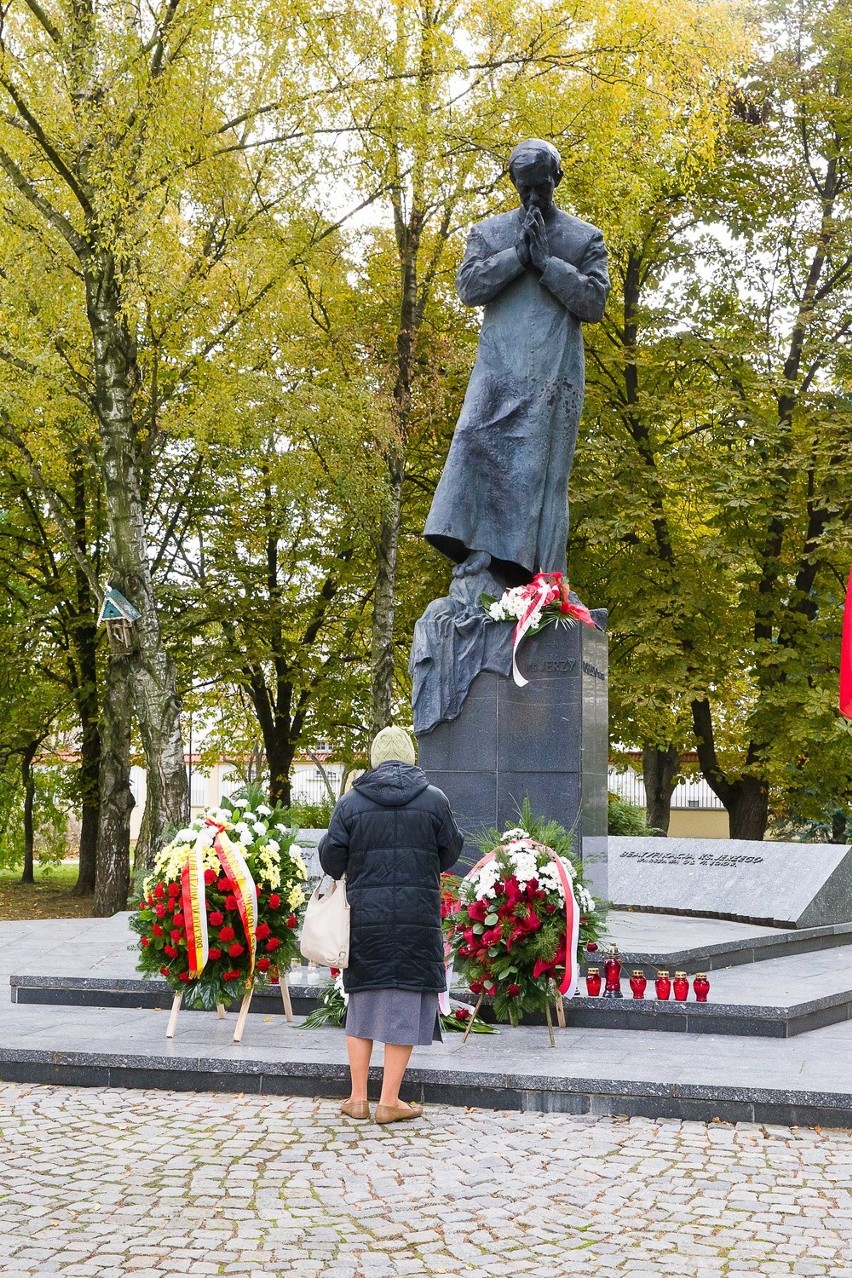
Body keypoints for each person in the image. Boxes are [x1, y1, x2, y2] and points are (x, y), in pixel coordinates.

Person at [423, 138, 610, 600]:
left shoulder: (583, 237)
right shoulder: (489, 233)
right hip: (498, 368)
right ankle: (478, 554)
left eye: (541, 188)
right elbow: (468, 287)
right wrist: (518, 257)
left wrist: (547, 263)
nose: (532, 198)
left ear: (556, 180)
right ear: (513, 183)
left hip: (553, 372)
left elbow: (593, 302)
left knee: (538, 470)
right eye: (524, 188)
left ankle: (538, 575)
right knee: (473, 443)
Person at [318, 726, 463, 1125]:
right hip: (416, 918)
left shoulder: (351, 802)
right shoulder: (434, 800)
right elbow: (451, 851)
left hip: (367, 918)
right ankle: (390, 1101)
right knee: (404, 1002)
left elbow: (331, 860)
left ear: (375, 758)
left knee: (363, 1000)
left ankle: (358, 1099)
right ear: (411, 758)